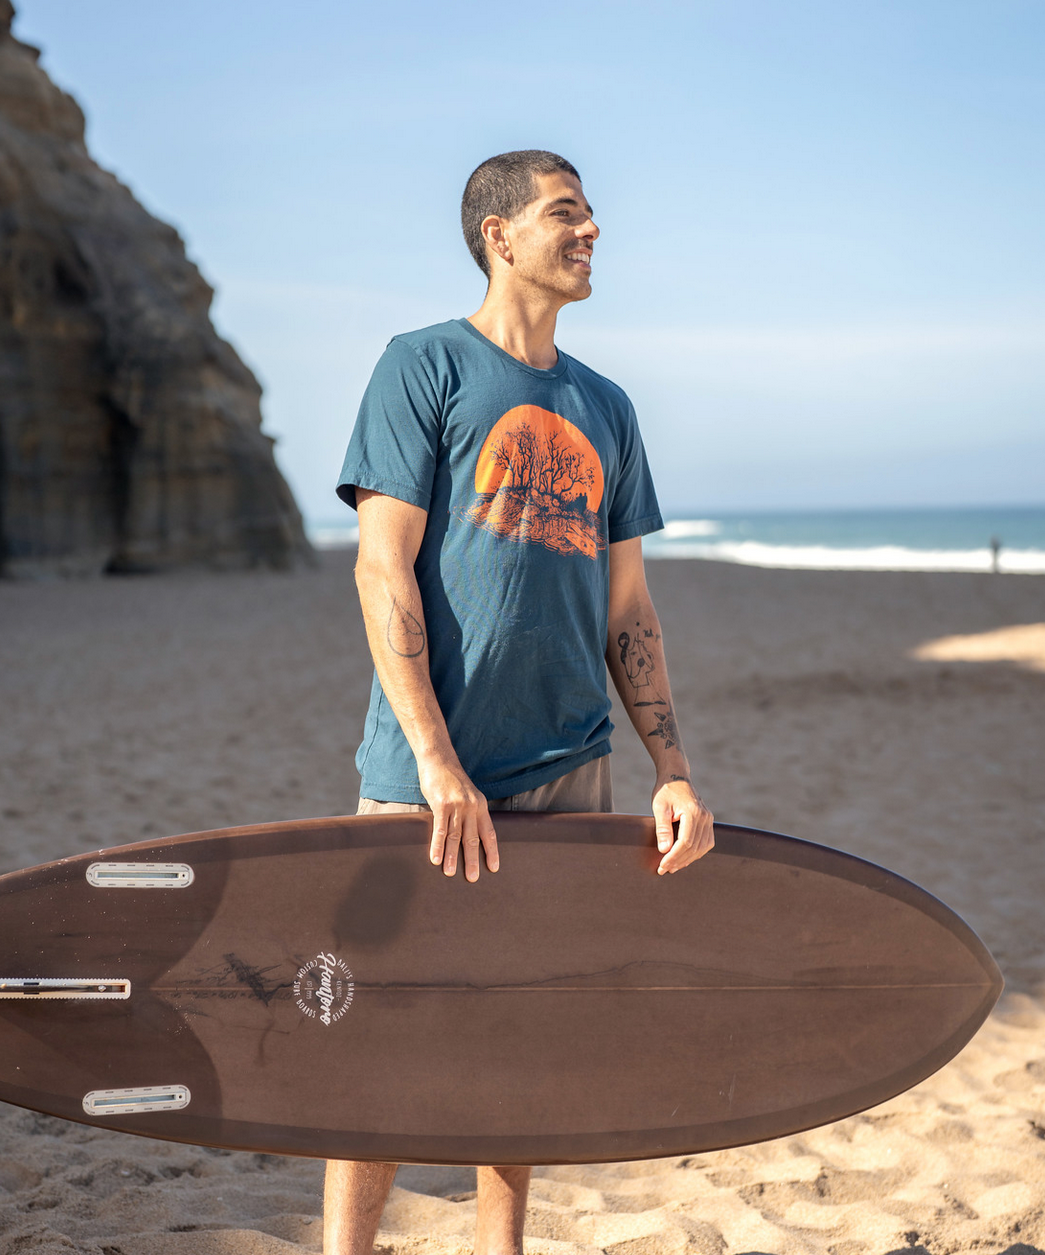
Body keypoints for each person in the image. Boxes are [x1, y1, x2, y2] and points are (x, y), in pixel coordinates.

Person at [329, 150, 715, 1255]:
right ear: (498, 234)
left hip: (567, 765)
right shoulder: (423, 366)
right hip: (423, 776)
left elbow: (628, 605)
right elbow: (380, 569)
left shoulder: (607, 404)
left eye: (592, 214)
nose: (590, 231)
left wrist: (671, 768)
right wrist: (436, 760)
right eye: (565, 214)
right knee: (378, 1037)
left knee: (526, 1028)